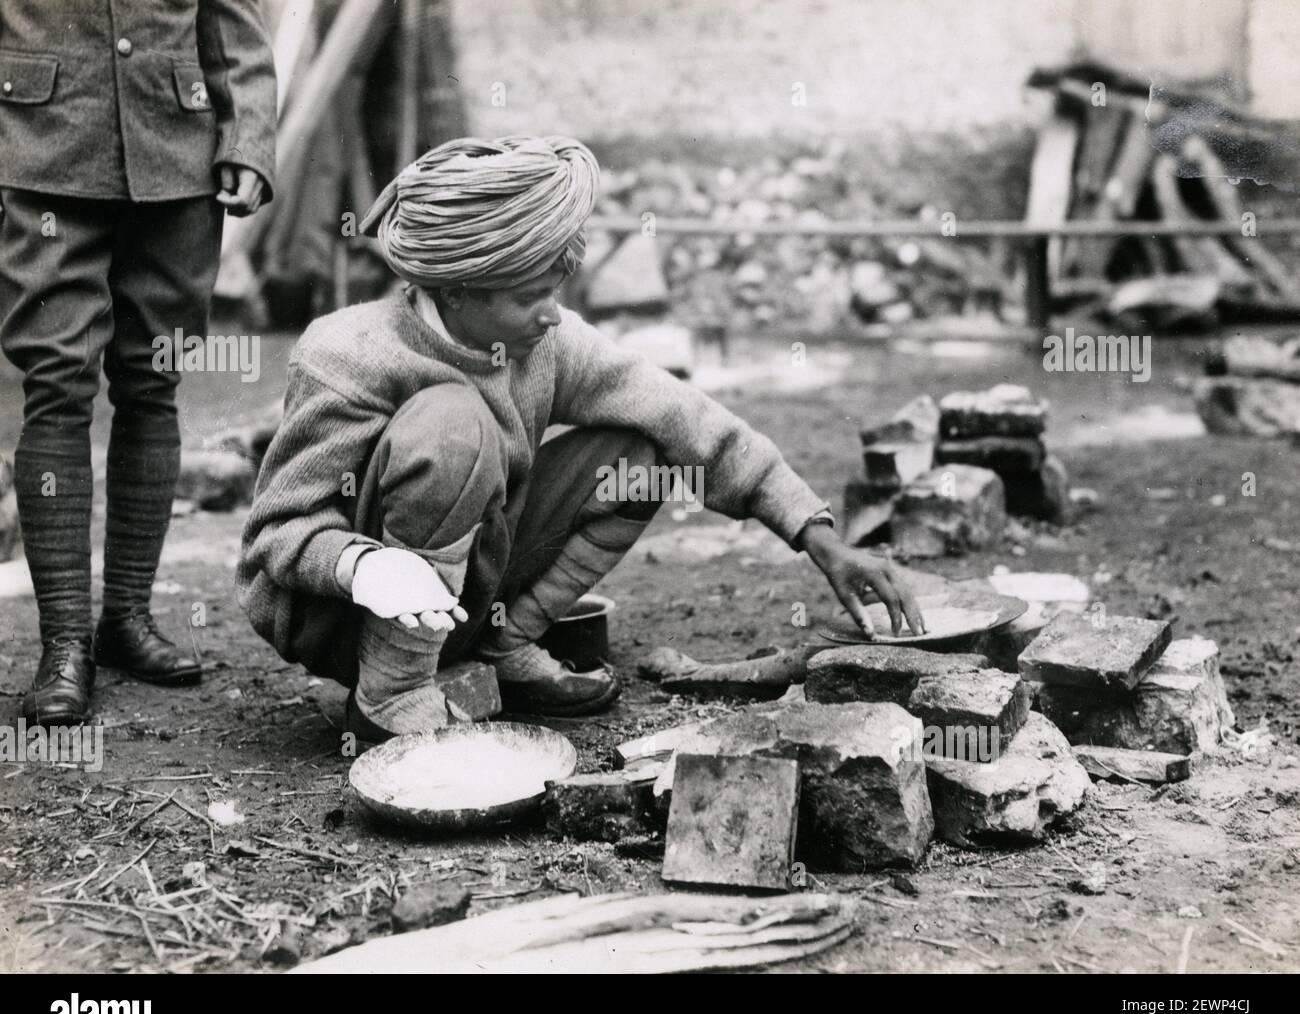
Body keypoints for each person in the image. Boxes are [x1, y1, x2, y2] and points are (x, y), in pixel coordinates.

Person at [237, 135, 923, 737]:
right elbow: (278, 533)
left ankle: (501, 641)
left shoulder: (544, 342)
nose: (552, 314)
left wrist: (819, 536)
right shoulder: (346, 354)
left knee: (644, 453)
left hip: (465, 592)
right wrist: (364, 566)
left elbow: (682, 414)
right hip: (338, 615)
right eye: (530, 294)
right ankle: (390, 694)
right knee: (452, 425)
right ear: (455, 294)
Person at [0, 1, 277, 723]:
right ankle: (64, 643)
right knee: (55, 384)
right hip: (41, 150)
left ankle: (126, 616)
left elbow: (235, 21)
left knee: (153, 383)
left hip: (176, 156)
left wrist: (246, 138)